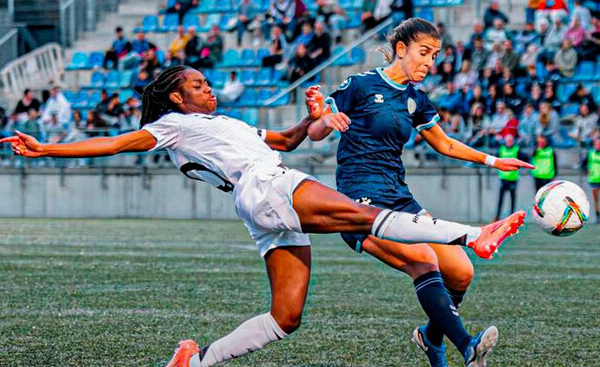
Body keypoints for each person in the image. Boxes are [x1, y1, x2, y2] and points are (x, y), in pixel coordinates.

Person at [2, 65, 527, 367]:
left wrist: (312, 113)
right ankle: (475, 235)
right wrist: (49, 150)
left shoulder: (219, 122)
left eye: (207, 83)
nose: (207, 88)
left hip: (260, 205)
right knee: (364, 215)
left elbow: (286, 139)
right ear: (174, 97)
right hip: (269, 185)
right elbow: (121, 142)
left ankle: (197, 360)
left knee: (286, 317)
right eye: (198, 85)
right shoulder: (173, 125)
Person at [304, 18, 532, 367]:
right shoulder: (361, 86)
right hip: (358, 201)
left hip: (399, 196)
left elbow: (443, 143)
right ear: (401, 49)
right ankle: (468, 347)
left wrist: (492, 159)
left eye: (435, 56)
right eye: (424, 53)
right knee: (424, 261)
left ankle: (430, 338)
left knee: (460, 272)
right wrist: (322, 120)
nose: (430, 63)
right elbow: (318, 131)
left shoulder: (415, 99)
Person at [495, 134, 527, 220]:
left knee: (512, 200)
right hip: (503, 178)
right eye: (507, 140)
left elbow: (525, 157)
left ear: (513, 141)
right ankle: (497, 217)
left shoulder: (517, 149)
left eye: (510, 141)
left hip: (513, 178)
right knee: (500, 199)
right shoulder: (502, 149)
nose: (508, 142)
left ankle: (512, 218)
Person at [583, 137, 600, 222]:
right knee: (595, 199)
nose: (598, 145)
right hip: (594, 179)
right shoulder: (590, 153)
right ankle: (597, 216)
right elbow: (584, 164)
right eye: (597, 144)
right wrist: (588, 170)